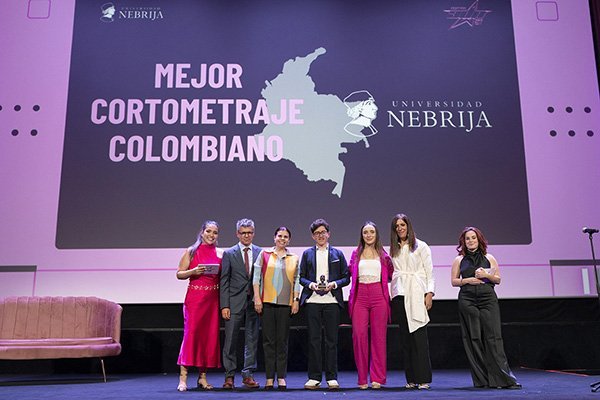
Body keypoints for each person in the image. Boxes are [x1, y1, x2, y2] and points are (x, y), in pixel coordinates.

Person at [451, 227, 521, 389]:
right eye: (467, 238)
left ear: (479, 239)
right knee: (474, 338)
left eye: (473, 238)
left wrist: (486, 275)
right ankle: (482, 380)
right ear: (463, 242)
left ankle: (503, 379)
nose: (470, 241)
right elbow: (454, 281)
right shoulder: (459, 260)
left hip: (487, 299)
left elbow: (498, 279)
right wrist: (467, 280)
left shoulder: (489, 257)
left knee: (493, 338)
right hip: (467, 299)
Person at [299, 219, 350, 390]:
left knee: (331, 341)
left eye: (323, 232)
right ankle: (314, 377)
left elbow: (346, 277)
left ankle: (331, 377)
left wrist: (334, 284)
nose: (320, 235)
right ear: (313, 236)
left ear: (329, 234)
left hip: (332, 301)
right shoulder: (307, 254)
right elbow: (301, 277)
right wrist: (312, 285)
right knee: (313, 340)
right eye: (317, 233)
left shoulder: (338, 254)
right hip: (312, 301)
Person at [176, 220, 222, 391]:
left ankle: (202, 377)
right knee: (191, 336)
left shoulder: (220, 253)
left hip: (212, 301)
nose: (211, 235)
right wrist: (193, 271)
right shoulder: (191, 251)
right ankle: (183, 378)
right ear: (202, 232)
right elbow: (179, 274)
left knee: (208, 338)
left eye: (215, 232)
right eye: (208, 231)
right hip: (195, 301)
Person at [389, 214, 434, 390]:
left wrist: (429, 293)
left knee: (419, 338)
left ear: (408, 226)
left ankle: (423, 378)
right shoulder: (394, 249)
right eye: (397, 226)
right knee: (405, 339)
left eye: (402, 224)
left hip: (416, 293)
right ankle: (411, 379)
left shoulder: (421, 246)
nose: (400, 228)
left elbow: (429, 272)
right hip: (399, 294)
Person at [253, 226, 301, 390]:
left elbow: (297, 280)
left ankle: (281, 377)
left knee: (282, 341)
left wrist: (296, 300)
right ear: (274, 238)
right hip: (266, 302)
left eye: (285, 237)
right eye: (280, 236)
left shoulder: (294, 258)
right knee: (268, 342)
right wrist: (257, 298)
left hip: (285, 304)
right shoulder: (264, 255)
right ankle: (269, 378)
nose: (282, 239)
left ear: (289, 240)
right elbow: (256, 278)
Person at [347, 221, 393, 389]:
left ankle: (377, 378)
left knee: (379, 337)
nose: (368, 235)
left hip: (378, 295)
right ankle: (362, 378)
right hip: (360, 296)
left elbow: (390, 274)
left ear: (376, 234)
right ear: (362, 235)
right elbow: (350, 271)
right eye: (365, 232)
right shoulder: (355, 254)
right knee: (359, 335)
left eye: (371, 232)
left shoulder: (383, 255)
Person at [220, 219, 262, 389]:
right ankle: (229, 376)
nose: (246, 236)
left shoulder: (260, 252)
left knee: (251, 339)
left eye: (249, 232)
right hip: (234, 302)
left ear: (254, 233)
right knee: (230, 340)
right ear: (237, 234)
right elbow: (224, 280)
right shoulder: (229, 253)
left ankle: (248, 375)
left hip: (254, 303)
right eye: (243, 233)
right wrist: (224, 305)